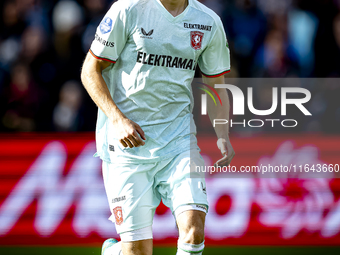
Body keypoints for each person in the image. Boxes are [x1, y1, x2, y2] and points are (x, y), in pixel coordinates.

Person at [80, 0, 235, 254]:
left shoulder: (208, 21)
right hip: (128, 146)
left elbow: (216, 83)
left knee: (194, 232)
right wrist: (118, 120)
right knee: (138, 251)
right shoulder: (128, 9)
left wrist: (222, 134)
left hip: (179, 142)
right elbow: (90, 70)